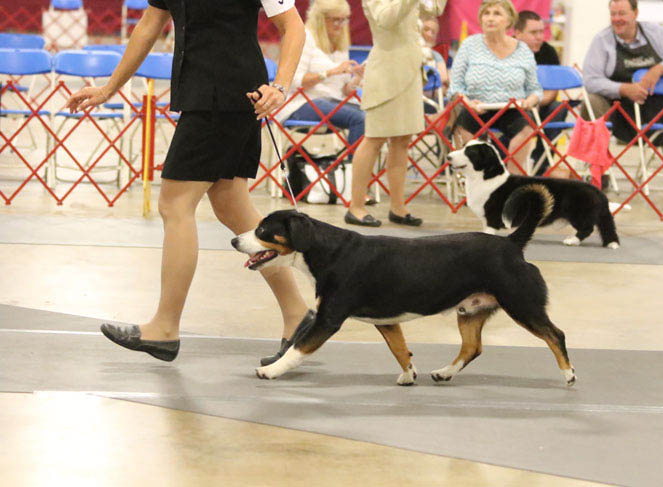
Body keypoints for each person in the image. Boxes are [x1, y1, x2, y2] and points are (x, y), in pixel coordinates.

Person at [64, 0, 313, 366]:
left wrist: (281, 85)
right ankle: (298, 315)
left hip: (227, 96)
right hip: (203, 95)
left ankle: (165, 328)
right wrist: (108, 89)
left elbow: (294, 27)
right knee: (232, 206)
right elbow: (149, 25)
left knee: (175, 205)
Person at [345, 0, 448, 228]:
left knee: (402, 140)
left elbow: (434, 8)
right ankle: (356, 206)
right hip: (386, 75)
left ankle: (398, 207)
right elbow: (386, 19)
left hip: (411, 73)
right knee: (374, 139)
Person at [582, 0, 663, 185]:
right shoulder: (601, 41)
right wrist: (623, 89)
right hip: (622, 114)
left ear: (635, 13)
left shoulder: (656, 33)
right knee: (592, 101)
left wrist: (659, 69)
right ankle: (599, 173)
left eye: (622, 13)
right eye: (613, 14)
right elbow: (590, 80)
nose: (617, 19)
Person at [448, 0, 542, 174]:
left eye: (497, 14)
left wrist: (530, 101)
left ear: (509, 20)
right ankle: (475, 179)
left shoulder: (522, 50)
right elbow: (455, 86)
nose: (490, 18)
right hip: (476, 108)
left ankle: (512, 182)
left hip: (511, 108)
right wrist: (468, 102)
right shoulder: (469, 45)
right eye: (486, 13)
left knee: (527, 130)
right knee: (464, 130)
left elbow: (535, 89)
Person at [275, 0, 366, 158]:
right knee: (359, 118)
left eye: (344, 19)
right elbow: (294, 81)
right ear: (320, 19)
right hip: (301, 103)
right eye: (335, 19)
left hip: (333, 101)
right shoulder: (305, 38)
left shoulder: (340, 43)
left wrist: (357, 78)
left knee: (371, 114)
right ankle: (354, 169)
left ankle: (353, 167)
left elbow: (344, 90)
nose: (340, 25)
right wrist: (329, 73)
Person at [514, 9, 568, 175]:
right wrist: (525, 103)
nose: (539, 37)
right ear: (517, 33)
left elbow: (552, 92)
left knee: (559, 108)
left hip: (541, 104)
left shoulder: (548, 52)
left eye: (541, 32)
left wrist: (534, 101)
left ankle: (540, 165)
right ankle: (505, 161)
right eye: (533, 33)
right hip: (514, 106)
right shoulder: (508, 51)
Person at [420, 12, 450, 107]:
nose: (429, 34)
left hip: (432, 99)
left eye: (433, 32)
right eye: (426, 29)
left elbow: (444, 78)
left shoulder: (436, 56)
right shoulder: (407, 52)